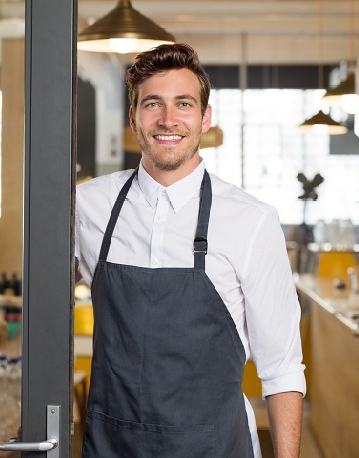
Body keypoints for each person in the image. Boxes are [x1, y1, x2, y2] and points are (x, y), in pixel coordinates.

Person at [75, 43, 306, 457]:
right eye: (152, 104)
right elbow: (45, 305)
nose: (167, 119)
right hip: (113, 446)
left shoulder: (252, 220)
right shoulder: (87, 207)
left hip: (215, 447)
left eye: (183, 103)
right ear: (133, 118)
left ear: (205, 117)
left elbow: (281, 368)